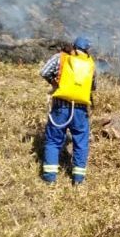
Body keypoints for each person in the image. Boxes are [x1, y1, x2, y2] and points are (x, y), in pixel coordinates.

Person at [39, 36, 96, 185]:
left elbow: (44, 71)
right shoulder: (90, 64)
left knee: (53, 141)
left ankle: (50, 179)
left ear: (73, 46)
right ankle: (78, 180)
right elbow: (93, 86)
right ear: (87, 50)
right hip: (80, 110)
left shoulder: (61, 58)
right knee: (81, 143)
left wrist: (56, 83)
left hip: (61, 107)